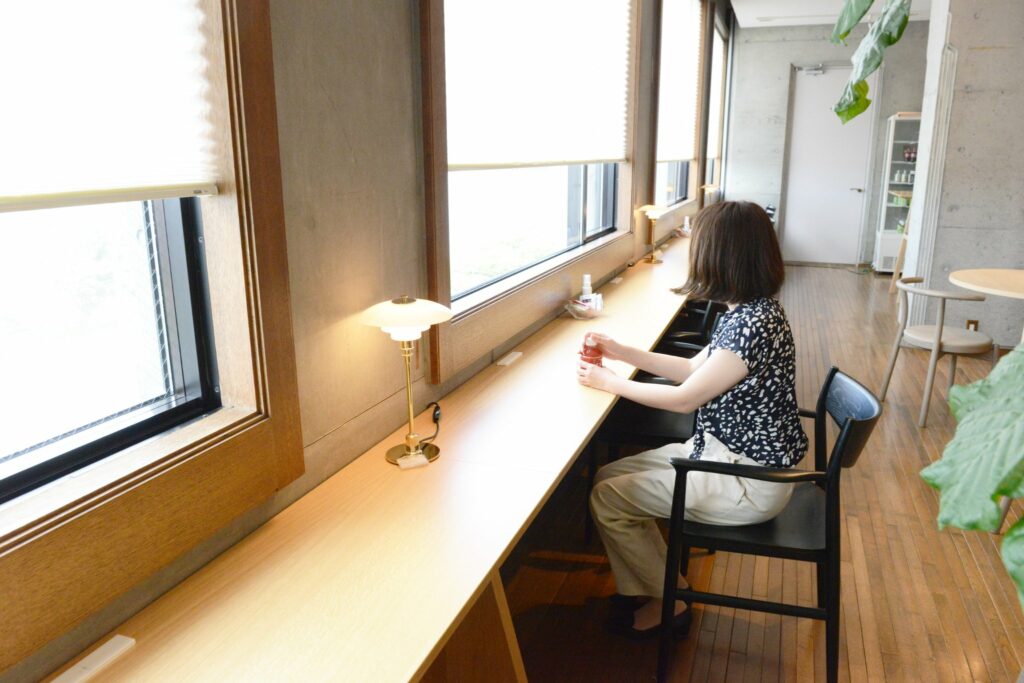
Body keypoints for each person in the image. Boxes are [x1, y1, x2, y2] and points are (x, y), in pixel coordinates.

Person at [576, 201, 808, 638]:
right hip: (726, 454)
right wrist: (622, 352)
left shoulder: (750, 325)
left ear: (720, 257)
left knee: (609, 500)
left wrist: (609, 382)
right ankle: (655, 587)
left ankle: (672, 600)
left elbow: (684, 400)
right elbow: (690, 370)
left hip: (747, 481)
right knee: (608, 478)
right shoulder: (749, 310)